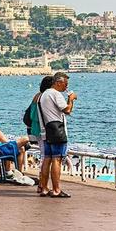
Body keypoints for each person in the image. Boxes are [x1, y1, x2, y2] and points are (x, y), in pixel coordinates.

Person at [38, 71, 76, 199]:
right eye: (65, 84)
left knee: (47, 158)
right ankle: (56, 189)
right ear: (58, 82)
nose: (66, 87)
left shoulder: (44, 94)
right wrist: (71, 99)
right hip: (57, 129)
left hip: (48, 128)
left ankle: (43, 187)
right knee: (57, 159)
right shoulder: (55, 94)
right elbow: (67, 110)